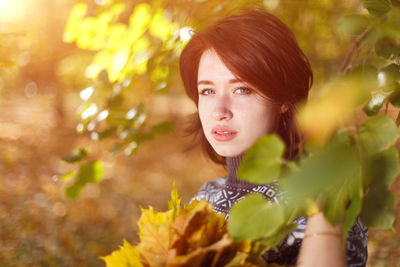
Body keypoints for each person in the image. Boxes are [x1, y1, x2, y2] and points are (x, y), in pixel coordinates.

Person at [179, 7, 368, 267]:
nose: (220, 111)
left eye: (242, 89)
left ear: (282, 100)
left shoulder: (319, 204)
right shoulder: (205, 198)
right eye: (208, 91)